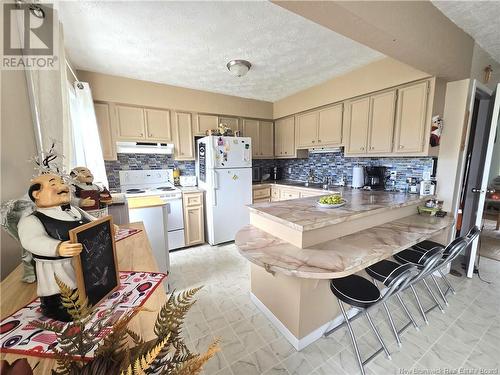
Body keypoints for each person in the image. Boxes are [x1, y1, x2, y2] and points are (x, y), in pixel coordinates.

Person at [18, 174, 94, 321]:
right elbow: (31, 240)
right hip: (56, 268)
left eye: (62, 183)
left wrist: (108, 227)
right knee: (63, 296)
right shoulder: (32, 220)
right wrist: (57, 247)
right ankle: (57, 309)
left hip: (83, 263)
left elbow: (92, 223)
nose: (62, 187)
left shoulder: (75, 210)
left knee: (85, 288)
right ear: (37, 194)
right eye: (53, 184)